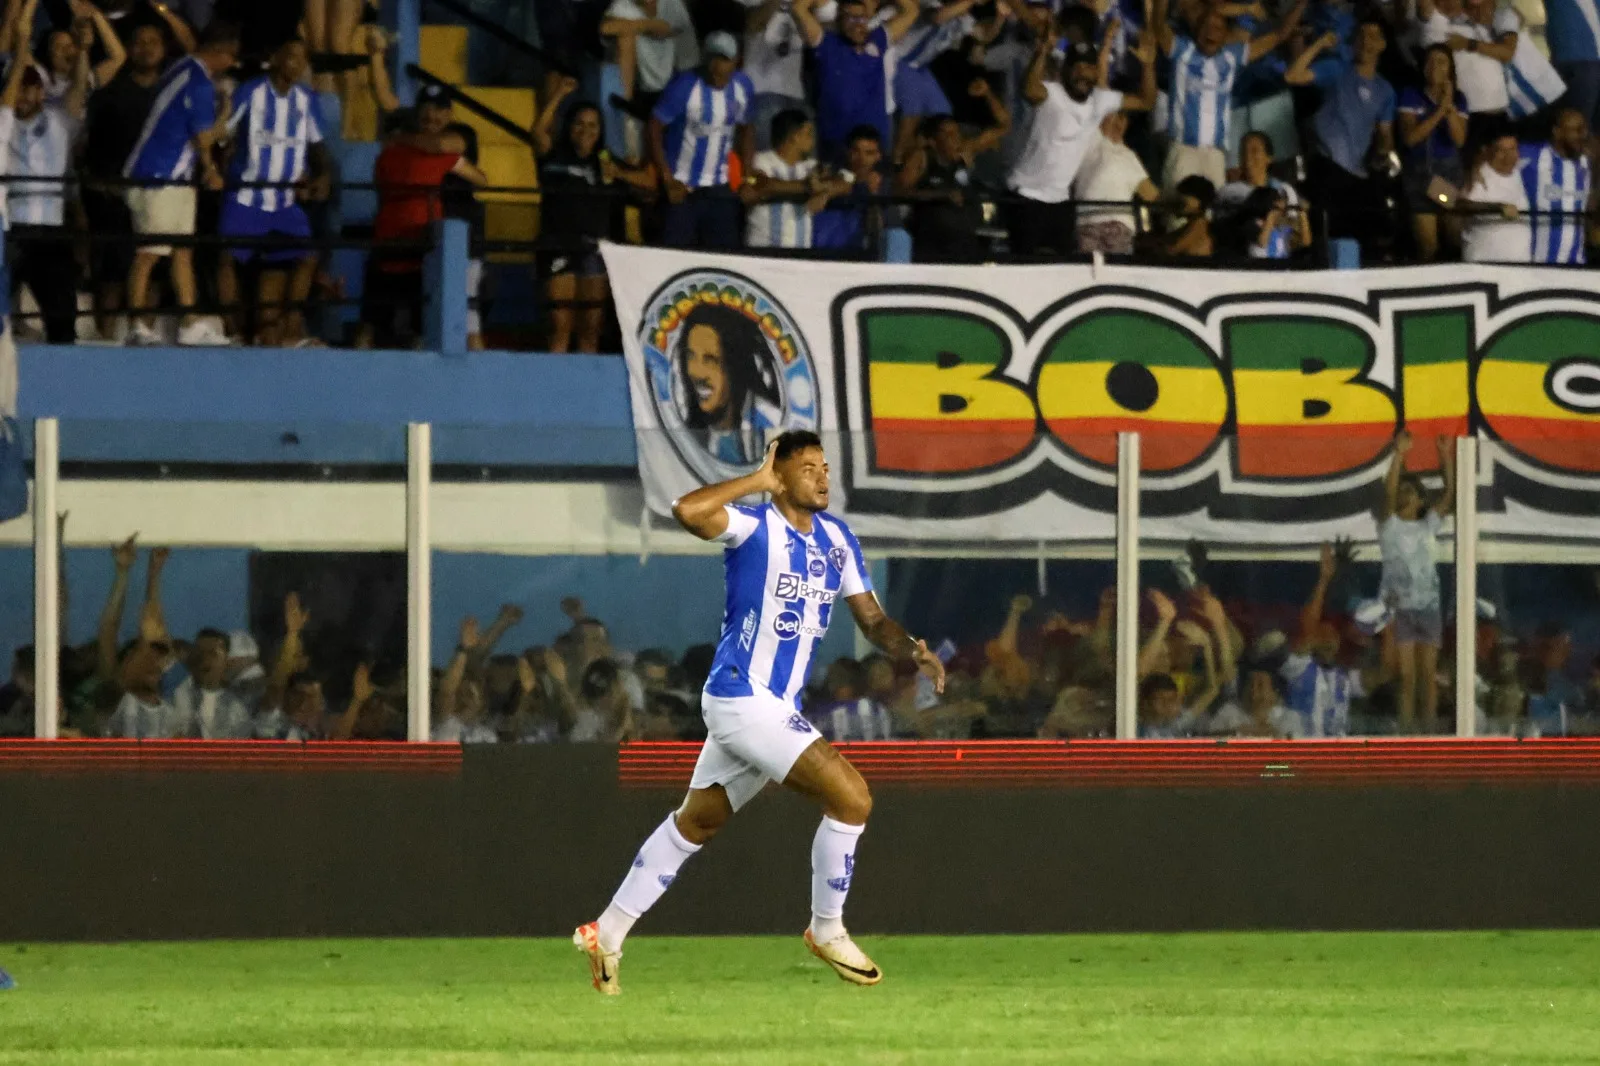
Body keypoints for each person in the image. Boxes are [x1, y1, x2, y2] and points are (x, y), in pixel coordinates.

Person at [573, 430, 946, 994]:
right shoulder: (754, 527)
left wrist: (912, 649)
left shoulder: (838, 540)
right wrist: (756, 480)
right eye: (809, 468)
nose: (823, 477)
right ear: (780, 472)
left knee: (694, 823)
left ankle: (609, 931)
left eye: (826, 467)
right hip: (743, 696)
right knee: (851, 796)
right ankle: (827, 929)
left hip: (767, 706)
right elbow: (687, 510)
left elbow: (872, 621)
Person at [121, 19, 240, 346]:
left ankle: (190, 324)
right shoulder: (199, 83)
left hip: (176, 177)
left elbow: (190, 134)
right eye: (231, 58)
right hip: (156, 176)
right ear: (221, 53)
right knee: (148, 253)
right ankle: (135, 326)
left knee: (183, 251)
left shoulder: (181, 67)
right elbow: (204, 138)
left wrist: (208, 170)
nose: (231, 65)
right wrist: (225, 117)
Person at [216, 37, 329, 346]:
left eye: (302, 58)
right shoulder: (251, 91)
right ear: (276, 57)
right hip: (245, 196)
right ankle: (232, 330)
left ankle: (290, 325)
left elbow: (317, 146)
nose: (296, 62)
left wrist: (323, 175)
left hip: (284, 200)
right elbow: (222, 131)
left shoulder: (307, 99)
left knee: (306, 257)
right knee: (228, 259)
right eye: (290, 55)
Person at [534, 76, 654, 353]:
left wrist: (619, 173)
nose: (585, 131)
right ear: (569, 127)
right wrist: (559, 95)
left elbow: (649, 183)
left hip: (594, 251)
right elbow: (538, 131)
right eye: (579, 124)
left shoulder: (605, 161)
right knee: (559, 326)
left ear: (600, 130)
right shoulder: (554, 156)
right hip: (557, 246)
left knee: (590, 330)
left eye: (592, 125)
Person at [1007, 34, 1156, 257]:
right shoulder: (1052, 94)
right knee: (1025, 268)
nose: (1082, 73)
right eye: (1076, 66)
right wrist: (1041, 52)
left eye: (1088, 67)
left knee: (1064, 272)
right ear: (1065, 69)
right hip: (1026, 196)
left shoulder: (1101, 100)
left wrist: (1147, 65)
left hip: (1061, 202)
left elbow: (1146, 101)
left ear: (1096, 72)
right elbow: (1029, 90)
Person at [358, 88, 485, 348]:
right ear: (417, 114)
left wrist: (400, 138)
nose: (432, 114)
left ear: (448, 114)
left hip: (394, 239)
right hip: (419, 244)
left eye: (438, 109)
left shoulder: (391, 150)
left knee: (373, 320)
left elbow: (378, 184)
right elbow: (482, 180)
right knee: (416, 322)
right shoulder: (442, 157)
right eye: (427, 108)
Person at [1148, 0, 1306, 191]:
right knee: (1178, 214)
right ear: (1197, 31)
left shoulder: (1232, 56)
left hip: (1215, 155)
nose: (1210, 31)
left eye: (1217, 28)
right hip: (1183, 149)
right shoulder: (1181, 50)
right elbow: (1158, 25)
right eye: (1205, 26)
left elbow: (1280, 35)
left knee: (1213, 216)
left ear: (1225, 36)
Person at [3, 14, 87, 344]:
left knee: (61, 318)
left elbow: (80, 87)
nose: (21, 98)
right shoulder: (4, 124)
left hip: (51, 233)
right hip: (11, 229)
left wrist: (83, 49)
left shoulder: (61, 121)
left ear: (40, 92)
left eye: (28, 90)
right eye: (17, 91)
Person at [82, 20, 166, 342]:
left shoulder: (168, 93)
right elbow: (90, 145)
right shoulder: (111, 92)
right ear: (130, 49)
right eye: (140, 41)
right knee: (112, 275)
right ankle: (105, 339)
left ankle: (144, 335)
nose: (146, 47)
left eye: (153, 41)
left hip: (156, 196)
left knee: (154, 271)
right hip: (114, 198)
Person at [1285, 21, 1395, 259]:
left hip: (1359, 174)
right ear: (1354, 44)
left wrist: (1383, 152)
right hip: (1327, 168)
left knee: (1369, 239)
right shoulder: (1336, 70)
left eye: (1373, 36)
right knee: (1327, 239)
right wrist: (1319, 44)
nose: (1366, 41)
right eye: (1361, 36)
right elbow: (1293, 76)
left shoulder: (1386, 90)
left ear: (1383, 44)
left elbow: (1385, 134)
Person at [647, 30, 754, 249]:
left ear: (736, 61)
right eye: (712, 58)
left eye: (724, 59)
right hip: (683, 189)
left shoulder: (743, 86)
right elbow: (654, 127)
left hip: (720, 189)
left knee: (722, 259)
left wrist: (747, 178)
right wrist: (667, 178)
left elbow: (747, 128)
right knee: (676, 258)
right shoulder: (684, 86)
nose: (717, 66)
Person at [1378, 430, 1453, 731]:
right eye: (1402, 489)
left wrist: (1445, 456)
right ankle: (1407, 734)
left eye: (1410, 491)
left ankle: (1430, 733)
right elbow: (1388, 489)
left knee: (1429, 675)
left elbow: (1450, 494)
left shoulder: (1427, 525)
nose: (1402, 493)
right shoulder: (1390, 526)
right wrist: (1399, 454)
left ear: (1421, 499)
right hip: (1403, 609)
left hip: (1429, 606)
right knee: (1407, 677)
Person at [1282, 542, 1393, 737]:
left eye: (1332, 634)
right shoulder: (1298, 668)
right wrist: (1324, 580)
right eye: (1322, 633)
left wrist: (1388, 623)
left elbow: (1385, 672)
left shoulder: (1344, 678)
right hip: (1304, 753)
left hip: (1337, 758)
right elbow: (1306, 631)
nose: (1328, 637)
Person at [894, 78, 1010, 262]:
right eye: (947, 134)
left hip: (965, 243)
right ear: (932, 140)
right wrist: (940, 195)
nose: (955, 138)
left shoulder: (965, 151)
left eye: (956, 132)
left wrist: (987, 94)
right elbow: (899, 192)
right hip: (931, 246)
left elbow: (1003, 126)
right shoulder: (922, 158)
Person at [792, 0, 921, 162]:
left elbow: (912, 11)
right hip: (836, 139)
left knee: (876, 186)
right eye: (850, 18)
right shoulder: (825, 42)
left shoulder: (878, 39)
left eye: (861, 18)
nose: (857, 24)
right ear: (839, 21)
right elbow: (798, 8)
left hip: (873, 140)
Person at [673, 300, 784, 462]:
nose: (697, 372)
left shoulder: (772, 426)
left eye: (710, 359)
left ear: (735, 367)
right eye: (691, 356)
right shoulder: (686, 427)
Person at [1396, 44, 1468, 261]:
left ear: (1450, 69)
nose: (1434, 66)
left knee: (1455, 238)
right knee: (1428, 247)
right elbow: (1411, 138)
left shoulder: (1460, 98)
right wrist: (1440, 109)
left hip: (1447, 176)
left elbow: (1459, 139)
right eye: (1429, 61)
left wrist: (1450, 108)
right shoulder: (1410, 94)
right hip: (1420, 177)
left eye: (1441, 61)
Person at [599, 0, 694, 159]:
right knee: (623, 39)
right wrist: (649, 25)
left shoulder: (673, 4)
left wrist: (635, 26)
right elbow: (606, 27)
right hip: (636, 86)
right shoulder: (623, 5)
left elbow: (685, 46)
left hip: (669, 83)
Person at [743, 107, 845, 249]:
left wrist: (825, 193)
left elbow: (846, 181)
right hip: (763, 251)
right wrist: (807, 187)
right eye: (808, 134)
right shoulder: (759, 161)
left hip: (800, 253)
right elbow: (758, 183)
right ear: (795, 136)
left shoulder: (811, 167)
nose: (812, 140)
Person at [1072, 110, 1159, 255]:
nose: (1119, 123)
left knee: (1116, 275)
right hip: (1088, 226)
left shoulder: (1128, 155)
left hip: (1120, 227)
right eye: (1114, 116)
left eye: (1123, 118)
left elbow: (1150, 195)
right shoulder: (1090, 141)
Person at [1522, 107, 1594, 266]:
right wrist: (1477, 167)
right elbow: (1494, 150)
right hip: (1537, 264)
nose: (1583, 135)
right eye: (1576, 130)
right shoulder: (1531, 156)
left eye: (1584, 129)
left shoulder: (1585, 162)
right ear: (1557, 132)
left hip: (1576, 265)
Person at [1459, 126, 1530, 263]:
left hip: (1520, 269)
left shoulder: (1521, 171)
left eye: (1512, 149)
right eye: (1501, 150)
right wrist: (1497, 208)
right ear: (1488, 151)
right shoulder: (1478, 177)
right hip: (1484, 266)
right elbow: (1461, 204)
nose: (1508, 156)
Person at [811, 123, 885, 253]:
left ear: (878, 156)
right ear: (848, 151)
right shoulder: (831, 176)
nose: (861, 159)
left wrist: (873, 195)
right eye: (856, 151)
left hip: (858, 256)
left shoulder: (884, 186)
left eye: (869, 153)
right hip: (820, 252)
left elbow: (876, 233)